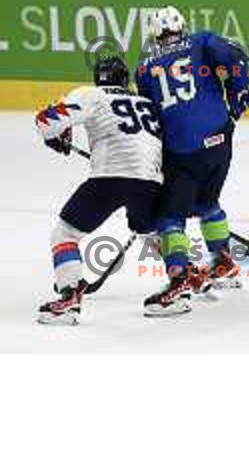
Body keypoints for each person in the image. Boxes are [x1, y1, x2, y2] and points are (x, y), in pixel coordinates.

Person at [135, 6, 249, 317]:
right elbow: (237, 55)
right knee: (208, 203)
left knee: (169, 218)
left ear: (154, 35)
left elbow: (150, 118)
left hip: (184, 152)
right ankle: (223, 262)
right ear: (181, 26)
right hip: (220, 140)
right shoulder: (202, 41)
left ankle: (179, 281)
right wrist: (238, 90)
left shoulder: (144, 69)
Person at [36, 56, 162, 325]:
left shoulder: (91, 94)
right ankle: (183, 275)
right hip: (150, 179)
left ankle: (69, 297)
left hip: (109, 177)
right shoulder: (146, 102)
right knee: (148, 229)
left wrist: (54, 133)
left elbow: (48, 122)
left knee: (65, 233)